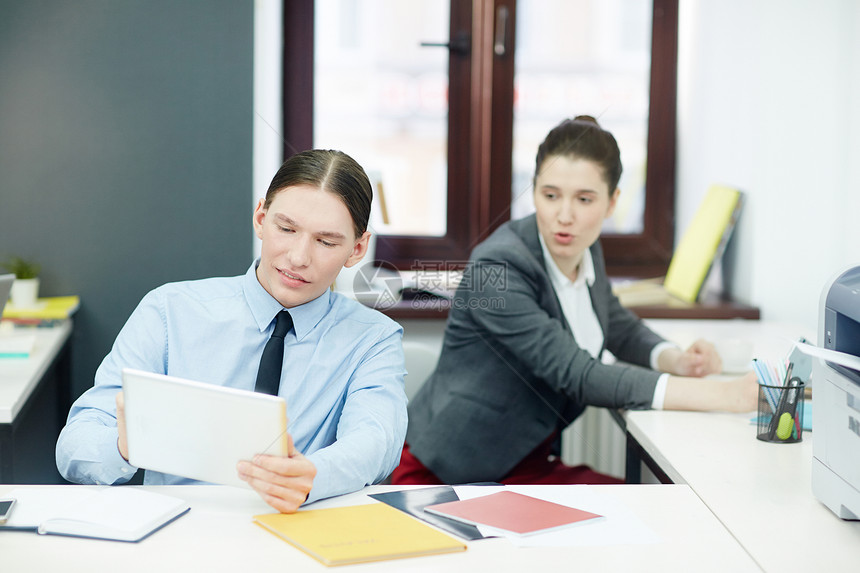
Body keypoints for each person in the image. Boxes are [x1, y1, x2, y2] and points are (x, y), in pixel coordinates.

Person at [392, 116, 758, 486]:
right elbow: (575, 373)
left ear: (612, 201)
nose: (564, 217)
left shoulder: (583, 246)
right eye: (550, 196)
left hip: (521, 463)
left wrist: (673, 358)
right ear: (533, 191)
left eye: (584, 199)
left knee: (644, 508)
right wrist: (723, 394)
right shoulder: (498, 266)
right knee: (638, 514)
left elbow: (613, 321)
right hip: (447, 473)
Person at [56, 149, 407, 512]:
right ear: (260, 218)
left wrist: (311, 476)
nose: (299, 257)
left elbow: (376, 439)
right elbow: (75, 448)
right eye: (286, 229)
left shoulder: (374, 339)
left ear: (357, 249)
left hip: (300, 530)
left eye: (326, 242)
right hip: (179, 535)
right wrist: (124, 447)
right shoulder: (169, 312)